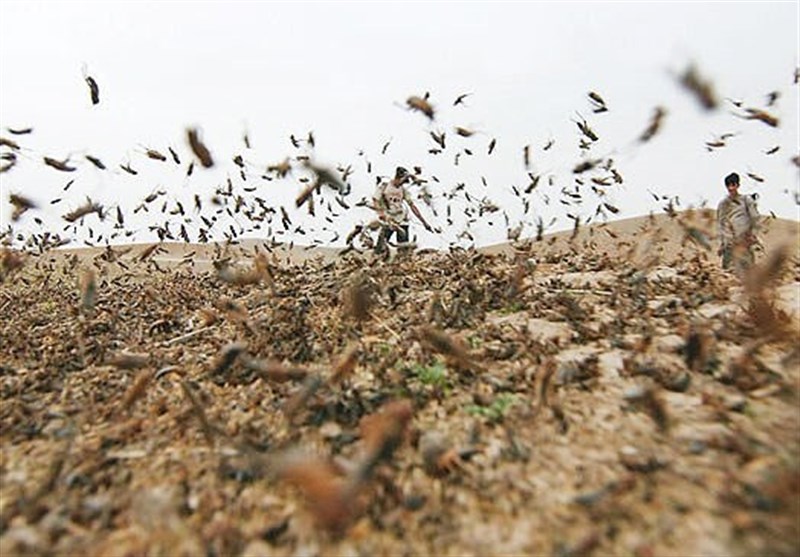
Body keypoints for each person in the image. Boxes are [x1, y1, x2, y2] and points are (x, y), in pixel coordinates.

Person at [372, 166, 432, 255]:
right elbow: (375, 200)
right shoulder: (385, 186)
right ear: (398, 177)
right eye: (403, 180)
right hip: (388, 219)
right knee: (380, 249)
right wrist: (381, 214)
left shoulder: (403, 190)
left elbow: (412, 206)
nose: (404, 183)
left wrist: (424, 222)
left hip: (401, 220)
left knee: (404, 250)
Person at [716, 172, 760, 274]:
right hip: (729, 244)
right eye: (728, 185)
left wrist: (753, 235)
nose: (731, 188)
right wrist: (722, 244)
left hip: (744, 242)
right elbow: (721, 224)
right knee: (727, 274)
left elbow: (755, 218)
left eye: (733, 185)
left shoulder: (746, 200)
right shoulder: (723, 204)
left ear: (738, 185)